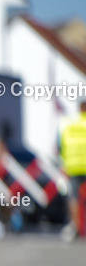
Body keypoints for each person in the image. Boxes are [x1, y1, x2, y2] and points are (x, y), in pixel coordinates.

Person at [60, 102, 86, 241]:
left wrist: (64, 164)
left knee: (74, 198)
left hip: (73, 166)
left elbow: (61, 146)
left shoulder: (70, 125)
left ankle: (76, 227)